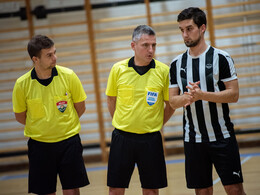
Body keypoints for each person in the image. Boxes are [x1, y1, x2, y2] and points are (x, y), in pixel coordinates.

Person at [169, 7, 246, 195]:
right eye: (181, 30)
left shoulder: (221, 58)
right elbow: (172, 101)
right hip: (193, 139)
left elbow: (233, 94)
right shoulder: (176, 64)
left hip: (222, 136)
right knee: (202, 192)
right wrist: (187, 97)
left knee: (234, 189)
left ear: (202, 28)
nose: (185, 35)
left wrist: (203, 95)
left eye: (189, 29)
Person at [12, 35, 89, 195]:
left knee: (72, 190)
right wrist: (43, 129)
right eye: (49, 55)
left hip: (69, 143)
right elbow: (20, 117)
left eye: (55, 52)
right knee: (45, 191)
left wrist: (62, 126)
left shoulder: (69, 76)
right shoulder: (21, 85)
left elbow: (80, 107)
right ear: (35, 59)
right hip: (39, 146)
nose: (55, 58)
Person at [106, 25, 174, 195]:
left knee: (151, 190)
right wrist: (123, 122)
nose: (151, 50)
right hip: (122, 138)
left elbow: (170, 104)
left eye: (154, 45)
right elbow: (111, 99)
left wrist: (157, 122)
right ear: (133, 46)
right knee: (115, 189)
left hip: (151, 140)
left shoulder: (164, 71)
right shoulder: (118, 69)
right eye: (145, 45)